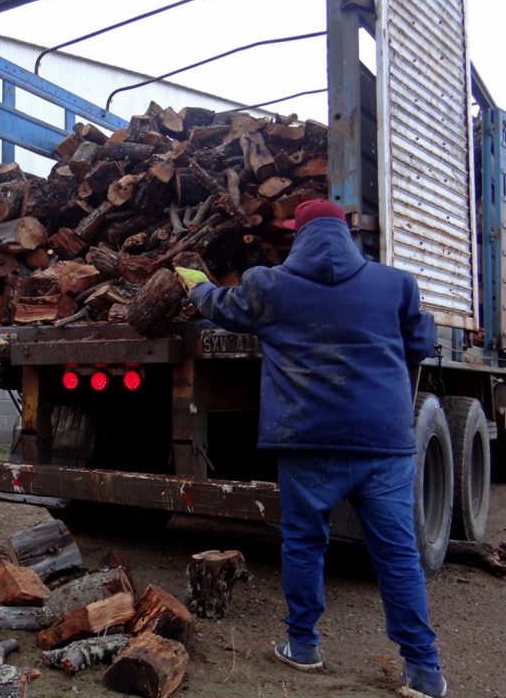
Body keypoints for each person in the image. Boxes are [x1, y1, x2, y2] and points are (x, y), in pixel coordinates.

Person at [175, 199, 446, 698]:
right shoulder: (395, 284)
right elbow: (420, 342)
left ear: (298, 235)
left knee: (303, 545)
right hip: (382, 444)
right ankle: (423, 670)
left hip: (306, 441)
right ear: (345, 234)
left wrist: (197, 284)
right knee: (397, 554)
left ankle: (304, 647)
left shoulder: (269, 285)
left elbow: (221, 307)